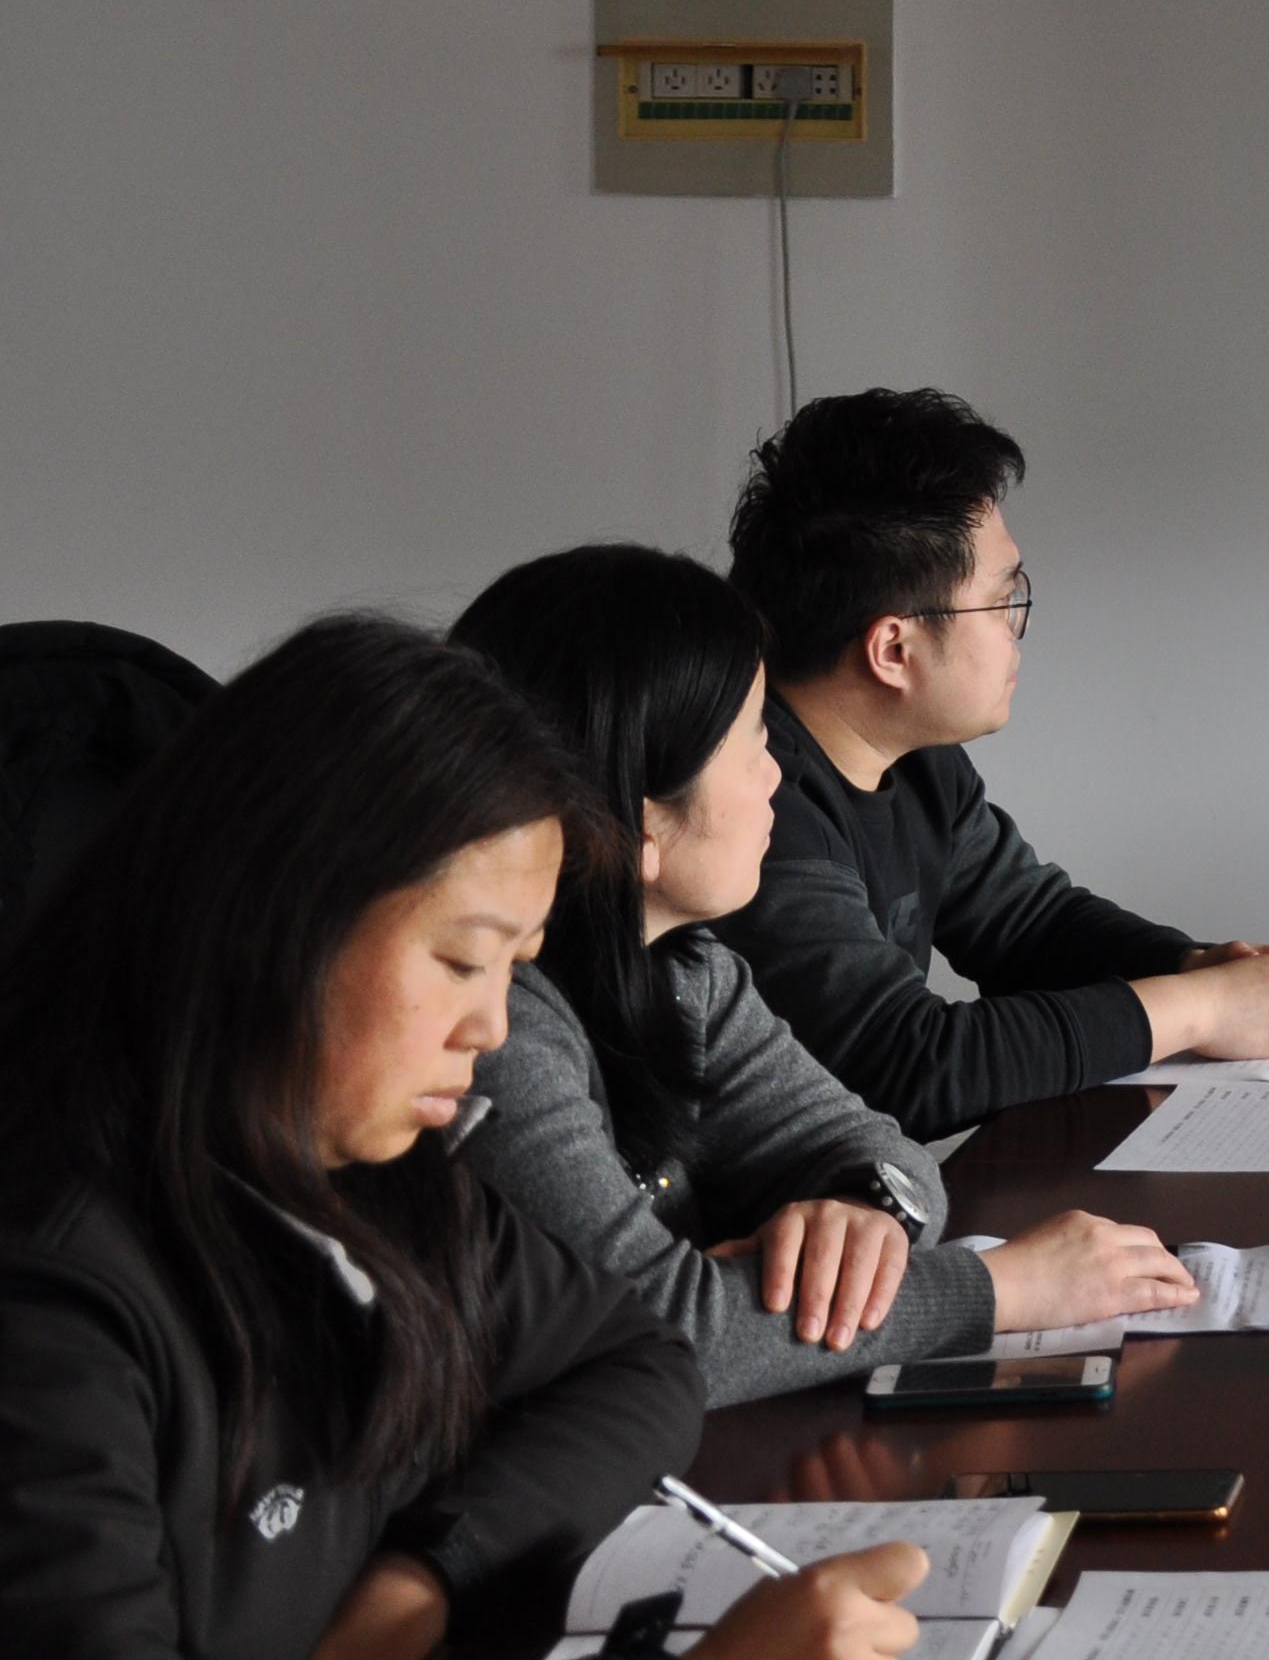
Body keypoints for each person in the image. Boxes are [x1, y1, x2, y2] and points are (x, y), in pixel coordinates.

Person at [0, 612, 927, 1660]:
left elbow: (638, 1358)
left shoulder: (377, 1181)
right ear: (278, 917)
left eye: (514, 968)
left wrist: (423, 1583)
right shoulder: (54, 1302)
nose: (489, 1029)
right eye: (459, 961)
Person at [450, 546, 1203, 1405]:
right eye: (752, 746)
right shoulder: (489, 1026)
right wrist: (1004, 1290)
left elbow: (883, 1150)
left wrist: (863, 1213)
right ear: (639, 826)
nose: (777, 777)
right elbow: (652, 1332)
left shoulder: (689, 973)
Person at [713, 389, 1269, 1135]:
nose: (1016, 629)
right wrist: (1200, 1010)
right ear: (893, 649)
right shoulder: (750, 802)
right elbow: (907, 1066)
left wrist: (1190, 965)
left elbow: (1026, 924)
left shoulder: (919, 762)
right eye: (1002, 599)